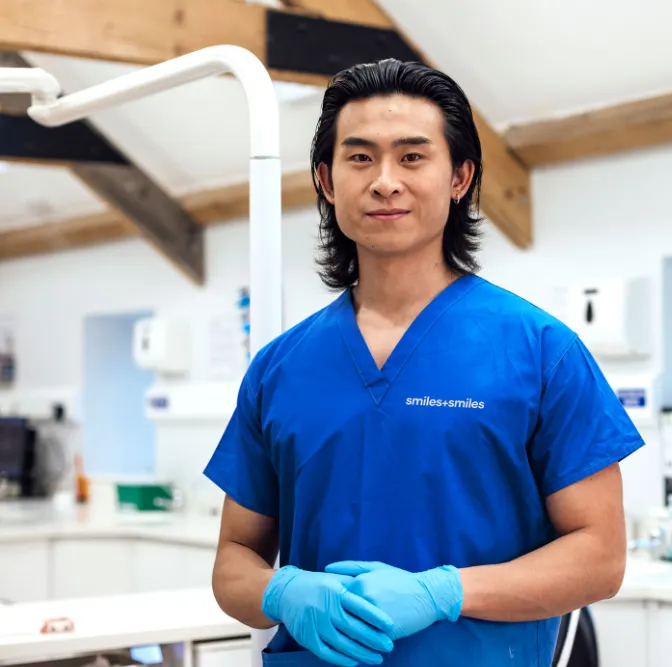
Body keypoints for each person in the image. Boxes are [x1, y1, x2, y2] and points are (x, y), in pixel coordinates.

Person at [204, 58, 645, 667]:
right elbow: (233, 563)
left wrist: (445, 593)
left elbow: (600, 557)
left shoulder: (541, 350)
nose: (385, 181)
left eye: (412, 157)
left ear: (460, 177)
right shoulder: (279, 368)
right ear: (326, 181)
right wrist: (281, 591)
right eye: (360, 158)